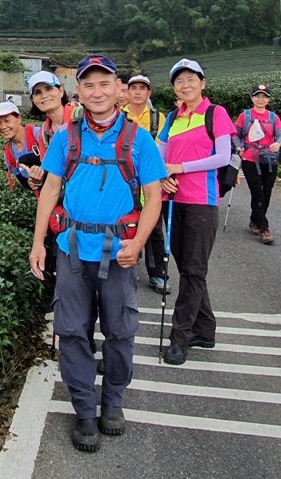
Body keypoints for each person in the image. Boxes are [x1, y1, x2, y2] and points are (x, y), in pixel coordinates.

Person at [30, 54, 166, 453]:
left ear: (119, 89)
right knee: (71, 332)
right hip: (72, 249)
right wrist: (38, 243)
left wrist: (138, 243)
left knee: (120, 331)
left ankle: (114, 403)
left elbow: (154, 195)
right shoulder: (66, 137)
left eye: (105, 83)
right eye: (89, 85)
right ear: (79, 92)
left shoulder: (138, 139)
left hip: (119, 251)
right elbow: (51, 190)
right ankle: (85, 410)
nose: (97, 91)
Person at [157, 58, 236, 367]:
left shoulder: (216, 114)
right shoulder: (173, 117)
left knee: (193, 270)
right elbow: (159, 153)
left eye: (191, 79)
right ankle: (205, 329)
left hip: (202, 201)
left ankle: (180, 338)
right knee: (188, 268)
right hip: (173, 200)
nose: (185, 84)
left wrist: (180, 167)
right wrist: (163, 175)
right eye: (179, 80)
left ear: (203, 83)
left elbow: (223, 156)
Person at [122, 74, 169, 296]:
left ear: (149, 93)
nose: (138, 92)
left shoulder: (158, 118)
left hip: (149, 180)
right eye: (134, 88)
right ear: (127, 92)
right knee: (123, 225)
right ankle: (123, 270)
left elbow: (163, 146)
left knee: (154, 229)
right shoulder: (119, 115)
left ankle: (157, 273)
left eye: (143, 88)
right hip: (123, 180)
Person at [234, 83, 281, 245]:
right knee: (257, 191)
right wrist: (238, 146)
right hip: (250, 158)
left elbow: (280, 136)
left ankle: (254, 220)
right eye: (257, 96)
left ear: (268, 99)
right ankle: (264, 228)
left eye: (264, 96)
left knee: (266, 193)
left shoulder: (273, 117)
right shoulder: (245, 116)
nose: (261, 99)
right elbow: (235, 134)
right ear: (252, 98)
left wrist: (277, 144)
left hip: (269, 159)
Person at [0, 101, 42, 192]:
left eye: (7, 121)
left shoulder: (38, 135)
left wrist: (29, 158)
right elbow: (24, 182)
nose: (3, 127)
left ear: (18, 119)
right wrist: (32, 183)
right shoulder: (9, 154)